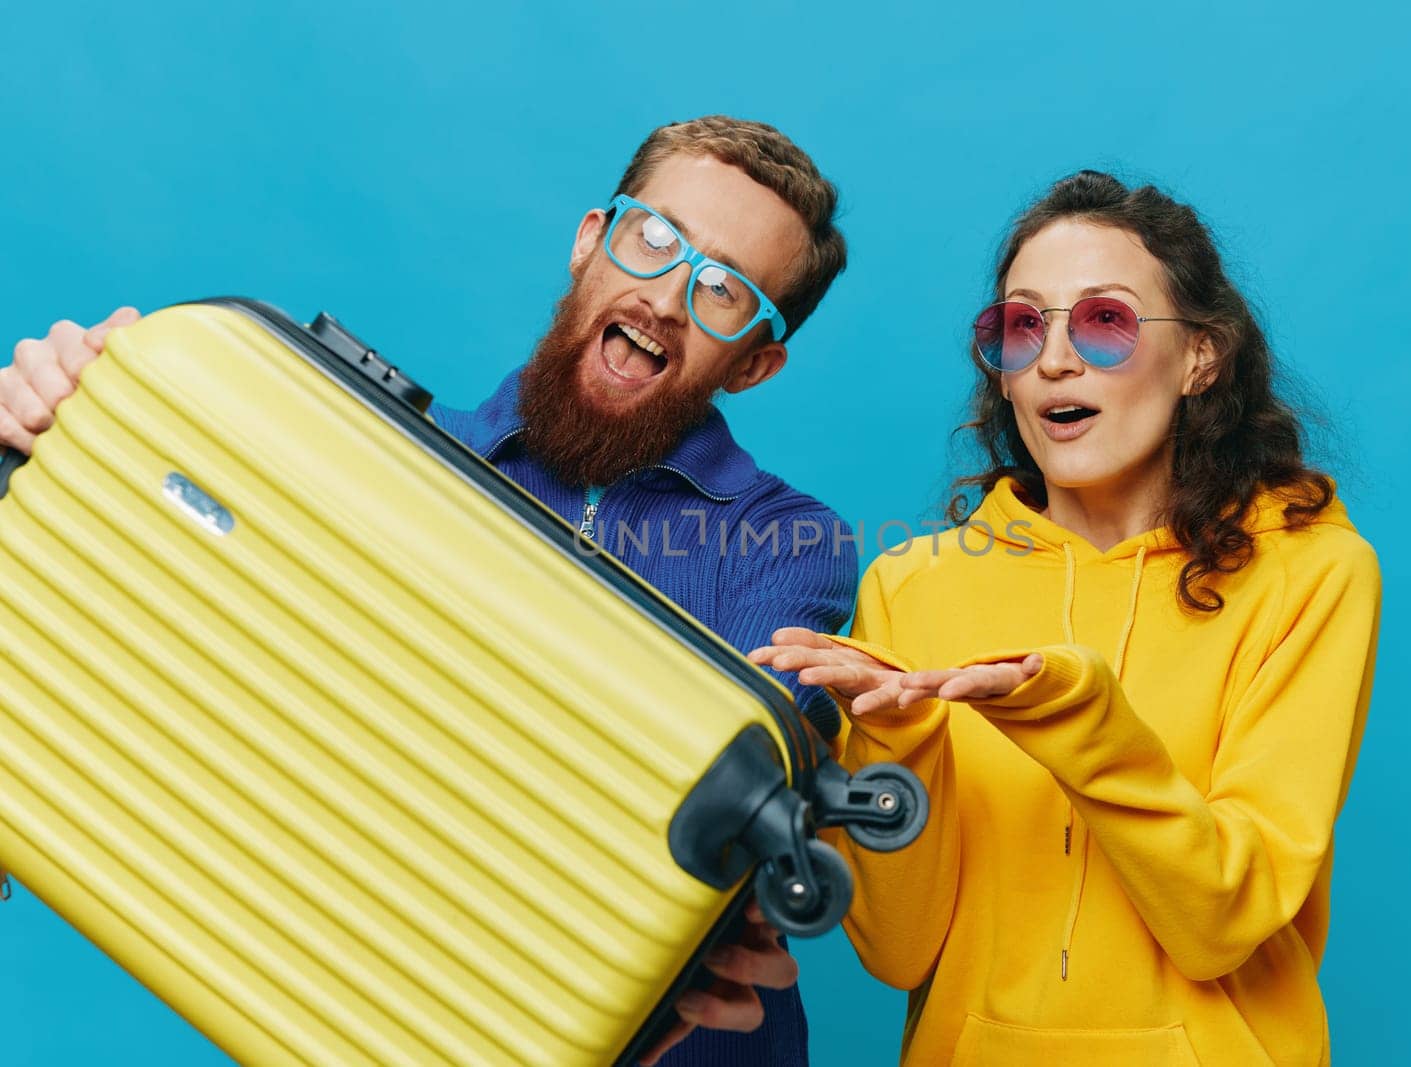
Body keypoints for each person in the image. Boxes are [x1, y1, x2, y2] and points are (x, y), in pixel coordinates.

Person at [0, 115, 856, 1067]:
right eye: (655, 237)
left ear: (756, 361)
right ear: (589, 240)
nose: (666, 294)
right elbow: (203, 720)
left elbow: (710, 791)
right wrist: (62, 448)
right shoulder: (364, 464)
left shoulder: (786, 541)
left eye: (727, 290)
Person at [753, 171, 1382, 1065]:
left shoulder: (1312, 572)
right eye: (1022, 326)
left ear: (1201, 355)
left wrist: (1078, 716)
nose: (1053, 360)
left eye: (1105, 322)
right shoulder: (912, 585)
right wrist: (896, 739)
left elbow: (1223, 922)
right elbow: (898, 955)